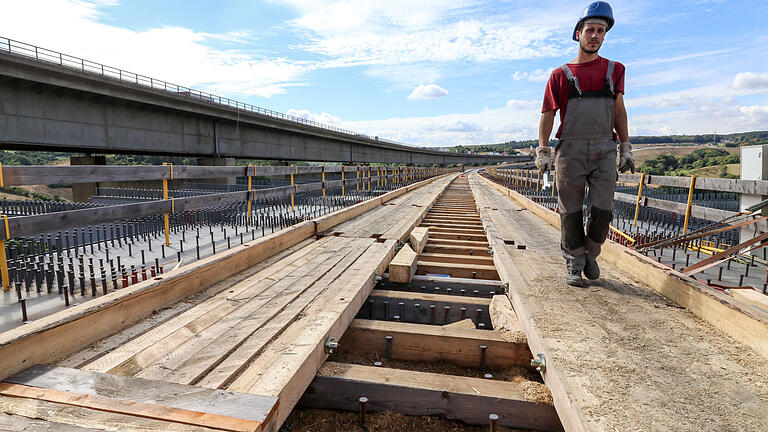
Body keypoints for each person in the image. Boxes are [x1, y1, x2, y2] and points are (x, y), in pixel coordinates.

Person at [534, 1, 635, 287]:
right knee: (571, 210)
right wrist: (543, 149)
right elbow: (548, 113)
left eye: (600, 31)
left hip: (605, 147)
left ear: (605, 35)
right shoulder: (560, 75)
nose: (595, 35)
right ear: (578, 33)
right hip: (570, 148)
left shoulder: (615, 70)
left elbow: (619, 110)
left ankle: (592, 252)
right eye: (589, 29)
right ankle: (574, 263)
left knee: (603, 208)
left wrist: (625, 146)